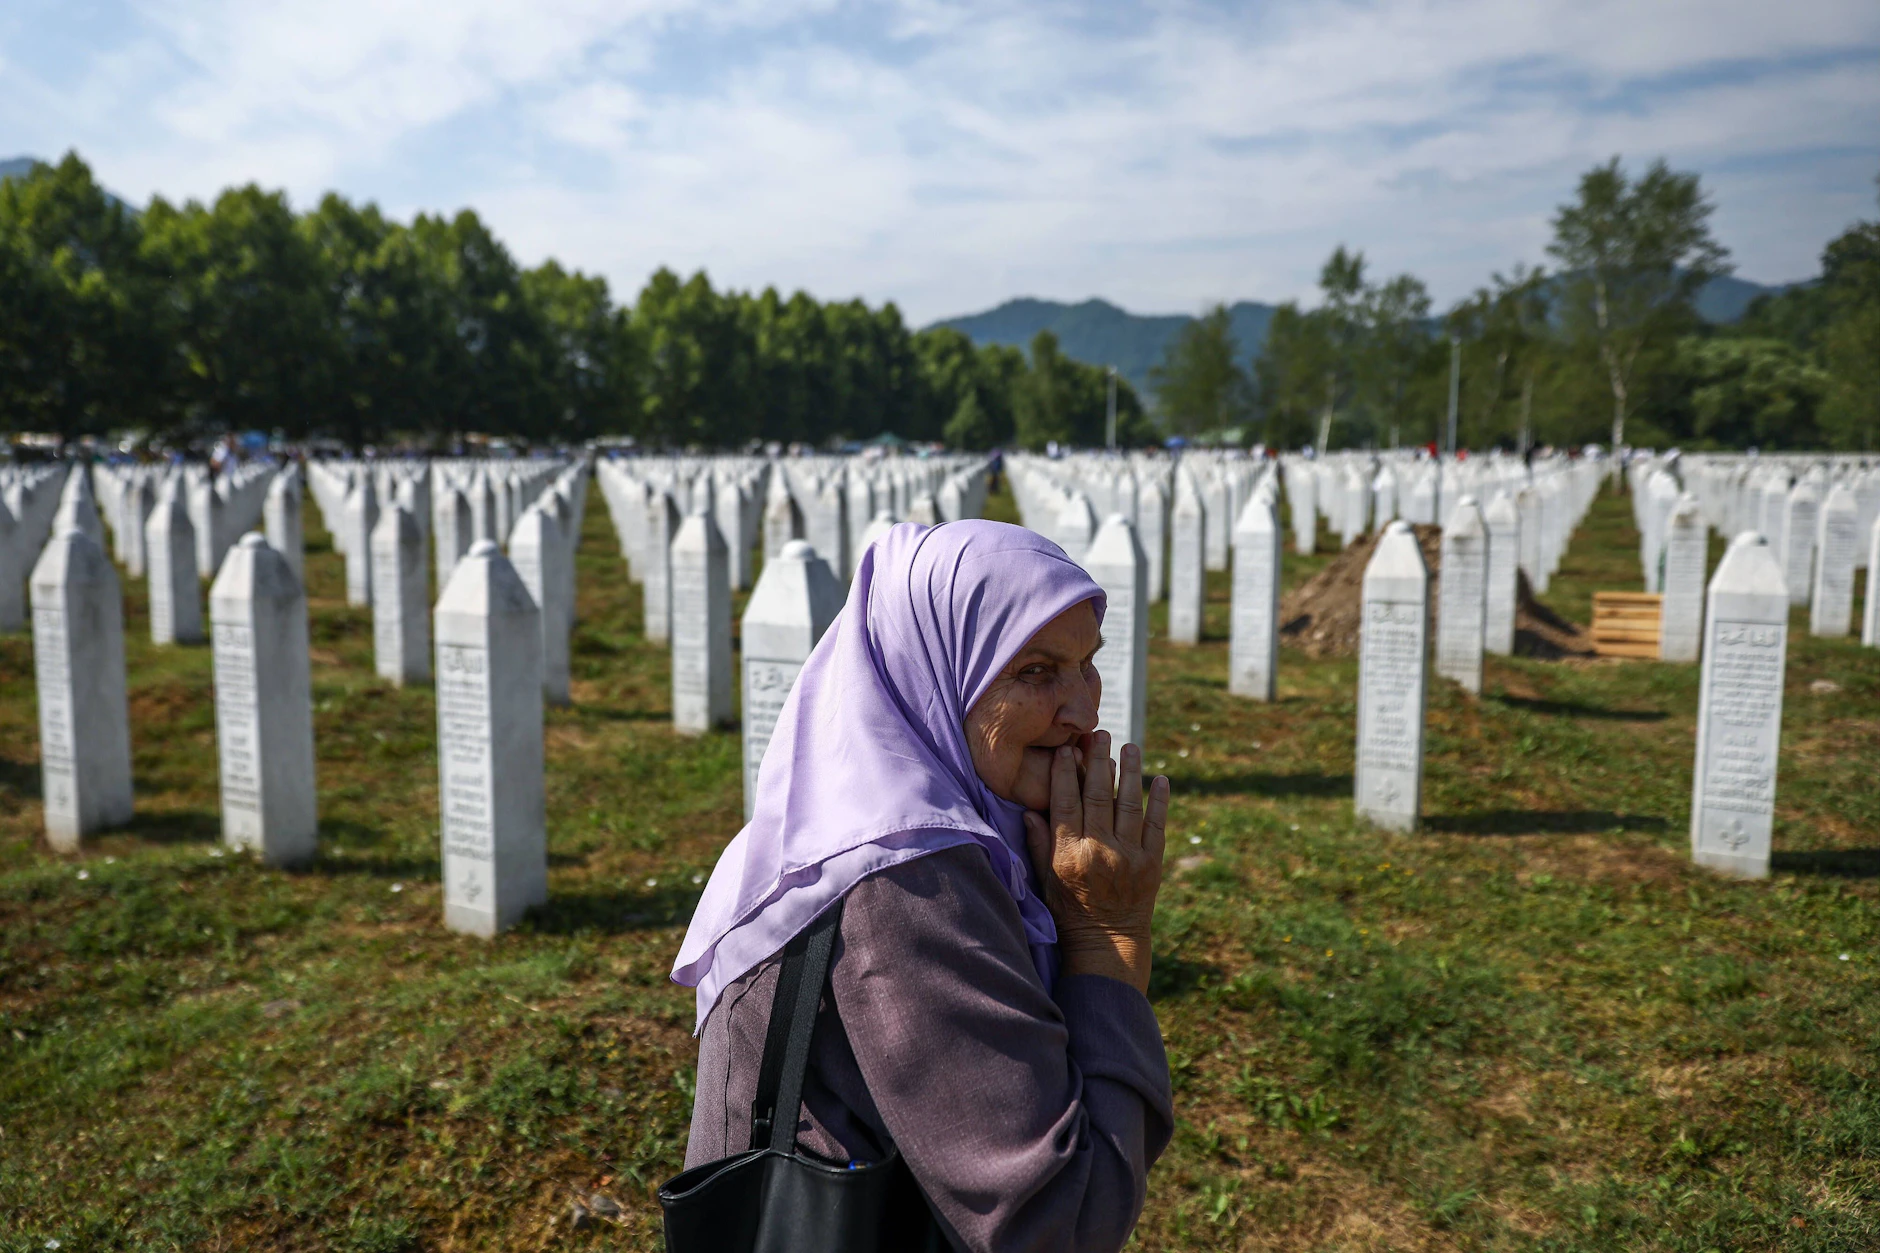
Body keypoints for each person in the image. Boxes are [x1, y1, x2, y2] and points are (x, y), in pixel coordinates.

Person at [674, 519, 1173, 1253]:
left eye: (1086, 664)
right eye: (1036, 671)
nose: (1084, 710)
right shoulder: (905, 884)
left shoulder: (900, 820)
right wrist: (1108, 936)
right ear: (934, 669)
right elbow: (1057, 1223)